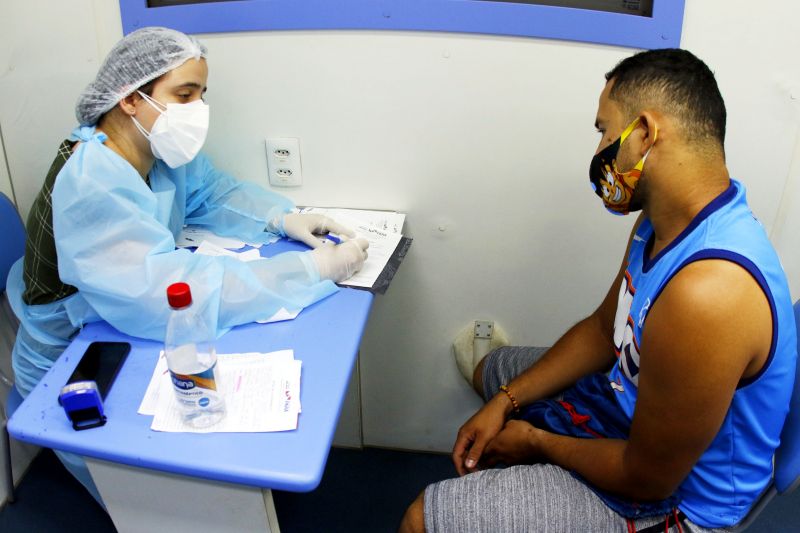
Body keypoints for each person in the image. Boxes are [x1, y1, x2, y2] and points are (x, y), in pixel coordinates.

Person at [400, 48, 797, 532]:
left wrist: (535, 442)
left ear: (646, 133)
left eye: (605, 132)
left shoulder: (708, 295)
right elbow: (601, 331)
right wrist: (507, 400)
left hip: (673, 502)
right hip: (626, 401)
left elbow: (646, 477)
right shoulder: (662, 222)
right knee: (491, 371)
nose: (599, 153)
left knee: (423, 520)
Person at [6, 27, 368, 506]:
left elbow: (211, 193)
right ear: (130, 99)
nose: (197, 109)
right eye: (183, 94)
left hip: (113, 323)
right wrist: (309, 272)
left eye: (201, 94)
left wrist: (282, 218)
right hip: (70, 358)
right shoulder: (93, 179)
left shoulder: (153, 147)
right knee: (146, 500)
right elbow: (165, 293)